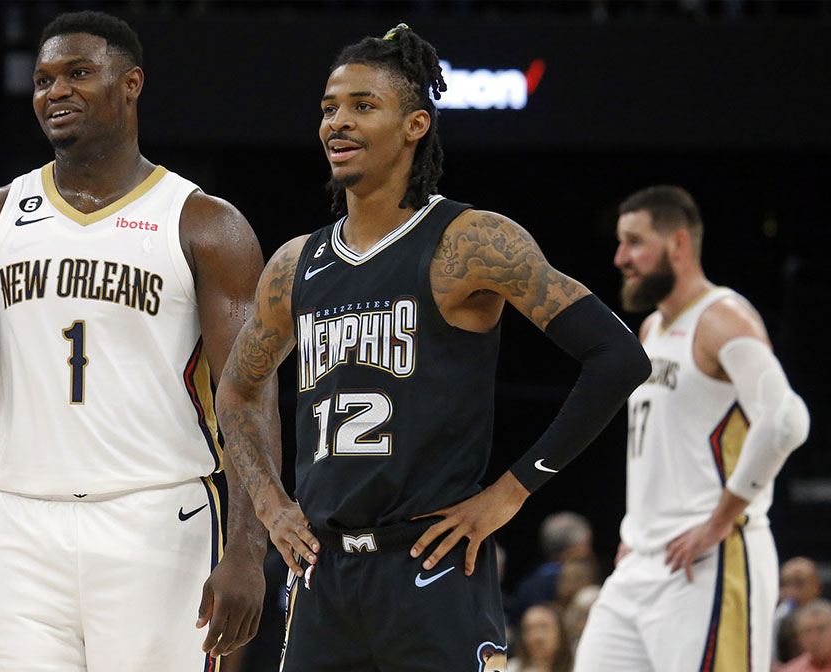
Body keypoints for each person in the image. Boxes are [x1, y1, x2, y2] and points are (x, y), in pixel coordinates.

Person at [214, 23, 649, 671]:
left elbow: (618, 357)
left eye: (364, 105)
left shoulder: (469, 242)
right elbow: (236, 389)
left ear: (415, 125)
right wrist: (272, 505)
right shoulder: (295, 263)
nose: (338, 122)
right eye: (329, 108)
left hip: (430, 568)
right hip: (323, 576)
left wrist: (512, 491)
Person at [0, 10, 272, 671]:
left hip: (158, 519)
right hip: (17, 522)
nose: (55, 91)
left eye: (78, 73)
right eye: (43, 80)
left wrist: (246, 548)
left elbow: (249, 394)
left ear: (131, 84)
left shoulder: (205, 224)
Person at [573, 185, 811, 670]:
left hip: (707, 559)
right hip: (641, 560)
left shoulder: (722, 318)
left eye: (634, 242)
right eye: (620, 242)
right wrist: (641, 528)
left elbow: (786, 420)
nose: (620, 258)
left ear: (678, 244)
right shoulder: (650, 330)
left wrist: (720, 521)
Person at [780, 558, 827, 662]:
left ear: (817, 586)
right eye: (785, 584)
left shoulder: (827, 618)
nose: (791, 591)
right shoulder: (775, 621)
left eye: (798, 583)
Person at [509, 603, 573, 672]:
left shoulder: (577, 666)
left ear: (560, 633)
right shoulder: (511, 668)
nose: (537, 636)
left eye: (544, 627)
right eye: (529, 629)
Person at [780, 599, 831, 672]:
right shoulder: (791, 669)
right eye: (808, 631)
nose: (814, 638)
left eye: (821, 629)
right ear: (798, 639)